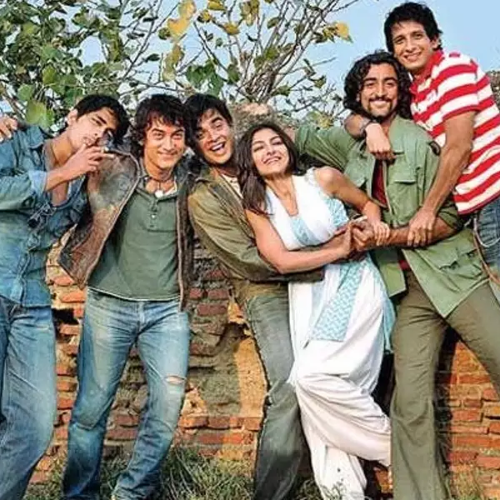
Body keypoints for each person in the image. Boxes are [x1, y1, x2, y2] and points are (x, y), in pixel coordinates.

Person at [296, 51, 500, 500]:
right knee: (408, 404)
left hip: (453, 275)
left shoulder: (422, 138)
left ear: (401, 90)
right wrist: (360, 124)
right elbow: (299, 136)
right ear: (357, 92)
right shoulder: (349, 146)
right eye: (370, 84)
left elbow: (454, 214)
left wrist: (397, 235)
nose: (380, 91)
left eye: (389, 83)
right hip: (405, 292)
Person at [236, 121, 394, 499]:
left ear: (289, 149)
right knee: (317, 402)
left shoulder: (322, 178)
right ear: (250, 161)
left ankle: (397, 449)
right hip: (306, 298)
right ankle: (344, 493)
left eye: (276, 142)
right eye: (259, 147)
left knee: (310, 378)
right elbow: (281, 261)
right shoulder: (257, 206)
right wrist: (336, 250)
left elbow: (369, 205)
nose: (270, 150)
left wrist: (370, 232)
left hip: (354, 285)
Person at [185, 94, 327, 500]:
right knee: (288, 383)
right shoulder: (204, 196)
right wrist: (320, 261)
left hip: (317, 276)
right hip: (265, 288)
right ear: (194, 145)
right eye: (201, 134)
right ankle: (271, 493)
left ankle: (340, 480)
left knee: (337, 371)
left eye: (217, 124)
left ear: (230, 124)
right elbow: (246, 259)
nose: (213, 137)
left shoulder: (266, 156)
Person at [57, 94, 194, 500]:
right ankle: (79, 494)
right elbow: (63, 145)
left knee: (168, 406)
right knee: (91, 409)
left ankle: (132, 491)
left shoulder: (192, 180)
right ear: (142, 138)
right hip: (108, 305)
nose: (168, 144)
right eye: (158, 135)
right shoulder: (114, 166)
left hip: (167, 311)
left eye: (176, 135)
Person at [0, 94, 129, 500]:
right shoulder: (16, 141)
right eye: (95, 122)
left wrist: (93, 184)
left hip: (33, 302)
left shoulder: (83, 184)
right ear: (72, 116)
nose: (98, 136)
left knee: (36, 426)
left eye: (108, 134)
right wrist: (59, 174)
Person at [346, 2, 500, 291]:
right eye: (400, 40)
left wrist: (428, 210)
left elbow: (459, 147)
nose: (409, 46)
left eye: (417, 36)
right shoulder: (416, 98)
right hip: (478, 210)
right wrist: (370, 127)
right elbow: (352, 119)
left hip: (494, 197)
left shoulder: (451, 69)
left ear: (435, 40)